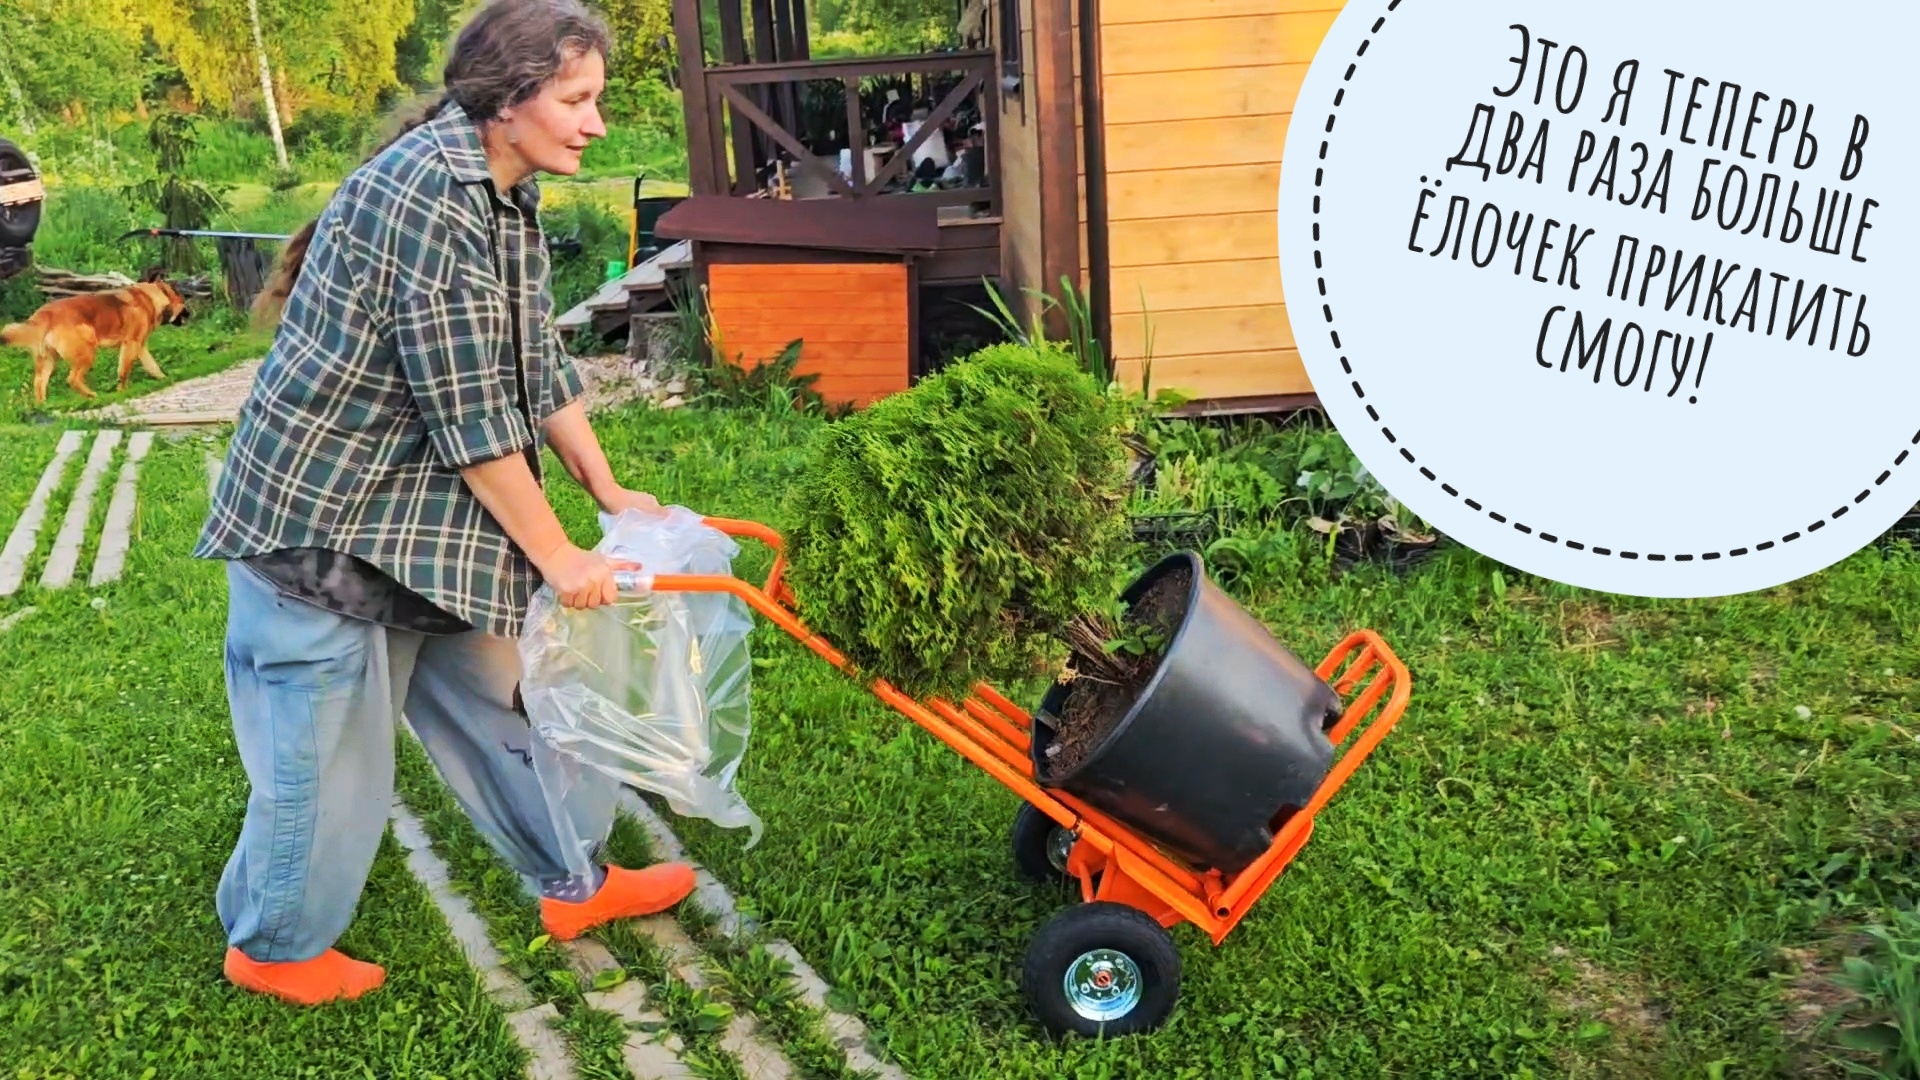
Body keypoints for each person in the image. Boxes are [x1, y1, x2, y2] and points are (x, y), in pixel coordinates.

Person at [194, 0, 696, 1007]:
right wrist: (558, 557)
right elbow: (470, 419)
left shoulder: (503, 189)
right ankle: (273, 946)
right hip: (326, 530)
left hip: (422, 528)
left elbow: (534, 358)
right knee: (328, 757)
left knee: (512, 699)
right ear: (508, 100)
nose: (596, 123)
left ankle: (574, 880)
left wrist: (605, 489)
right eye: (577, 100)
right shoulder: (424, 199)